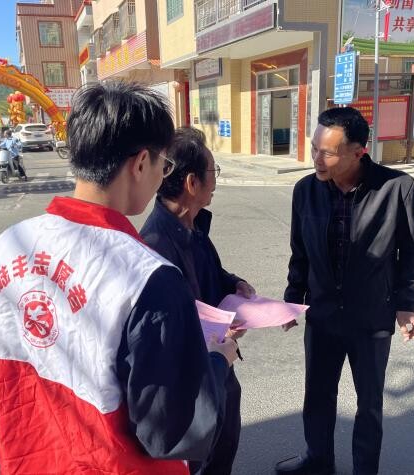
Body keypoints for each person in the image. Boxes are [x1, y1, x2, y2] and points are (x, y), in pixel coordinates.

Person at [0, 81, 239, 474]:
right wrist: (218, 361)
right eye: (163, 165)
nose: (162, 177)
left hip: (31, 459)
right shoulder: (147, 275)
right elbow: (171, 430)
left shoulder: (8, 246)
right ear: (141, 163)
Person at [275, 107, 414, 475]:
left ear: (359, 152)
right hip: (323, 315)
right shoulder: (305, 190)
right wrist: (293, 299)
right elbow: (301, 252)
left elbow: (412, 253)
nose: (317, 159)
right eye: (314, 148)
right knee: (318, 396)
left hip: (371, 317)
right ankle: (318, 460)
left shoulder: (397, 188)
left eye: (327, 152)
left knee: (369, 404)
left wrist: (406, 305)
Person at [140, 127, 255, 475]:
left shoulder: (192, 226)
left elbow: (211, 273)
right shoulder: (155, 245)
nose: (215, 180)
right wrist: (218, 337)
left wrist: (234, 283)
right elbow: (167, 332)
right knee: (202, 461)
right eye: (212, 171)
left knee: (224, 445)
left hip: (220, 363)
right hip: (195, 378)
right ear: (192, 183)